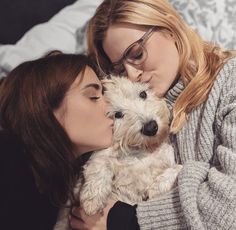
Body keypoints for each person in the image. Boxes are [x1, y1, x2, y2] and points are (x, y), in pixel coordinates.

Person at [69, 0, 236, 229]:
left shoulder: (231, 82)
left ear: (169, 29)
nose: (131, 74)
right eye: (118, 68)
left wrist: (123, 220)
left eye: (137, 54)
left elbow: (229, 206)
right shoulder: (129, 113)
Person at [0, 51, 116, 230]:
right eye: (93, 97)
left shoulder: (56, 183)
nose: (110, 107)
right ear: (44, 107)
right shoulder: (9, 160)